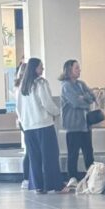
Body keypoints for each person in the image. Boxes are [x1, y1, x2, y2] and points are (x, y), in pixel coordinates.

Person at [15, 58, 66, 194]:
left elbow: (18, 108)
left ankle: (38, 185)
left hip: (28, 127)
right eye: (40, 67)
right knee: (50, 156)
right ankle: (56, 185)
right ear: (35, 69)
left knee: (34, 157)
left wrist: (23, 121)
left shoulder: (22, 86)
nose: (42, 69)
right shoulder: (40, 83)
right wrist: (56, 112)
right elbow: (47, 103)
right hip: (44, 125)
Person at [59, 59, 96, 188]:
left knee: (88, 152)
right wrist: (84, 98)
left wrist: (83, 98)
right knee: (73, 154)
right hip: (73, 126)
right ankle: (72, 178)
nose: (79, 70)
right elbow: (75, 102)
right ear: (69, 71)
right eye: (76, 68)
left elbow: (92, 97)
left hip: (85, 125)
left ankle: (93, 176)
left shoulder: (81, 84)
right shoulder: (66, 86)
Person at [14, 60, 30, 189]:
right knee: (30, 151)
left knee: (30, 150)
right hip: (26, 122)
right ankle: (26, 178)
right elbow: (20, 108)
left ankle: (28, 178)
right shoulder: (22, 88)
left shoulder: (20, 86)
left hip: (24, 122)